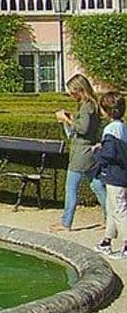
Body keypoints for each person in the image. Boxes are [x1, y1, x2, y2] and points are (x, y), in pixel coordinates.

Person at [52, 73, 107, 231]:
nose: (71, 95)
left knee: (71, 189)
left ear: (79, 89)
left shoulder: (87, 105)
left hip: (81, 154)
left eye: (72, 91)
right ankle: (110, 218)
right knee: (97, 186)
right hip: (88, 152)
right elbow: (85, 125)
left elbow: (83, 129)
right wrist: (72, 118)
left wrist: (65, 119)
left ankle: (66, 223)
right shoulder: (91, 105)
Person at [93, 92, 127, 258]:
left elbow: (110, 154)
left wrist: (97, 152)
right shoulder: (122, 127)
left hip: (116, 176)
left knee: (119, 210)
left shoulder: (110, 130)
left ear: (105, 111)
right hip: (120, 175)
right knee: (113, 209)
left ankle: (126, 245)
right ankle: (106, 241)